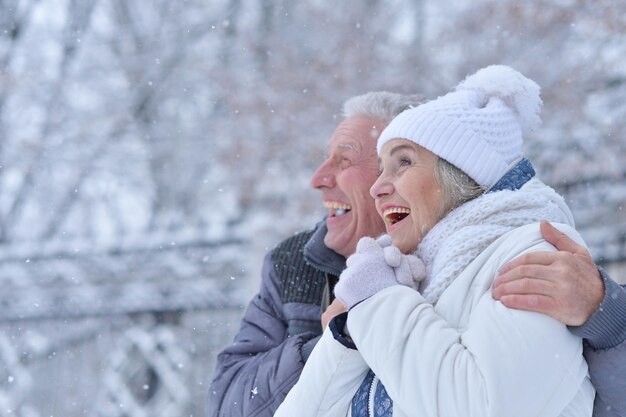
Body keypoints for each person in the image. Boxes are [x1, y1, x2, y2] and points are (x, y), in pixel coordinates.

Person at [208, 89, 626, 417]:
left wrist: (609, 316)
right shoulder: (298, 265)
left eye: (401, 162)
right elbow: (230, 402)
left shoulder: (527, 254)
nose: (319, 179)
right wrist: (339, 335)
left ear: (457, 173)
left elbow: (493, 405)